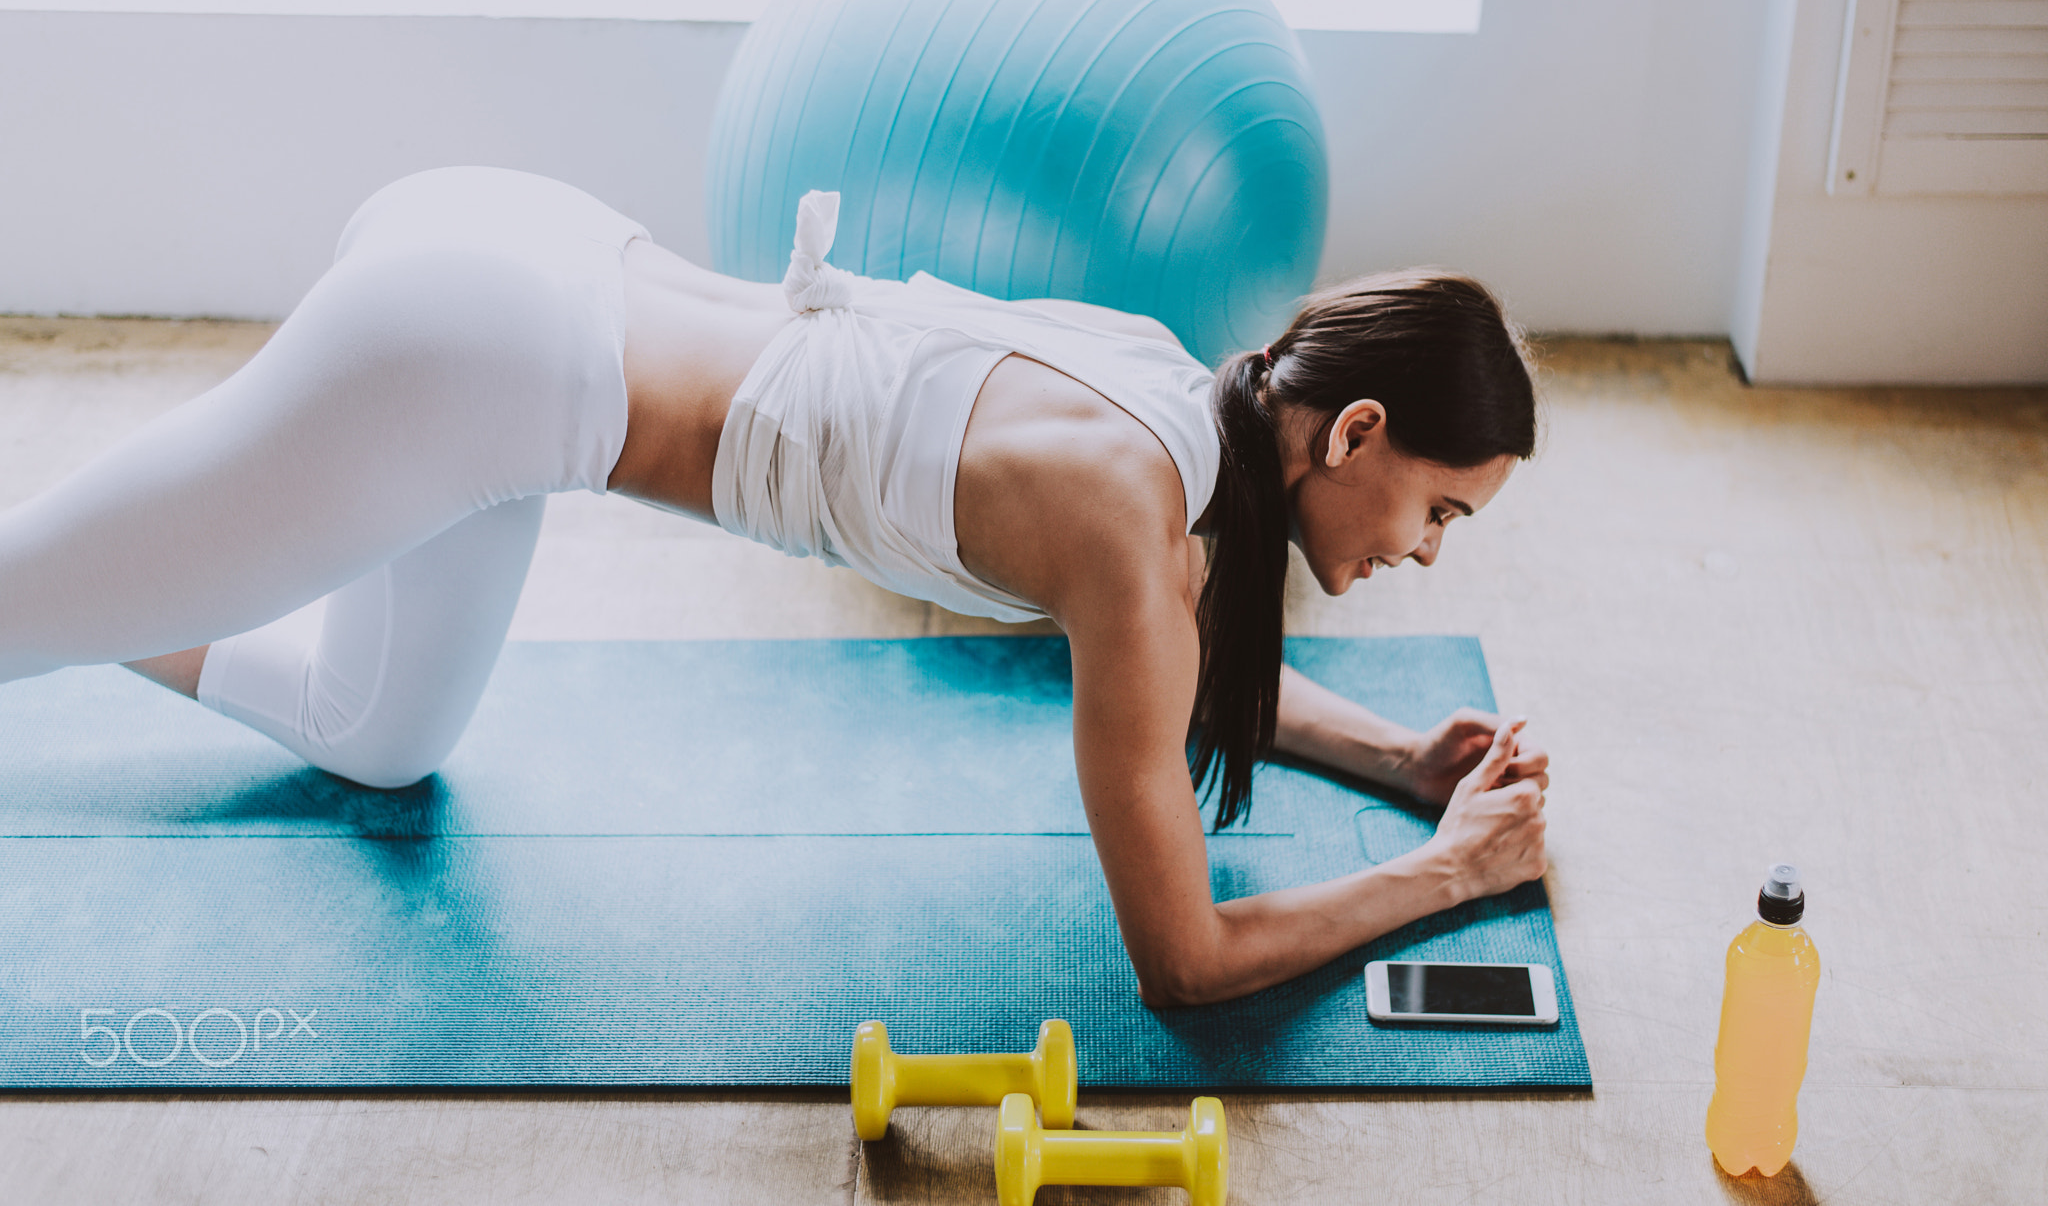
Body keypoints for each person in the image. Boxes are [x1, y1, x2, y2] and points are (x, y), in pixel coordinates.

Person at [0, 166, 1548, 1007]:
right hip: (475, 361)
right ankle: (79, 594)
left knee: (378, 736)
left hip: (521, 278)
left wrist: (1397, 761)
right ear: (1354, 432)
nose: (1423, 549)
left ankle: (116, 600)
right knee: (19, 608)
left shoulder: (1171, 397)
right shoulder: (1132, 531)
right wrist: (1448, 876)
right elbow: (1186, 965)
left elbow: (1176, 662)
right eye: (1438, 509)